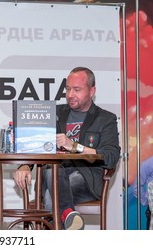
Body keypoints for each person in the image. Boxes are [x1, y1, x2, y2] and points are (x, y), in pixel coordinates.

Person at [13, 67, 121, 230]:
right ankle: (69, 215)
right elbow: (35, 143)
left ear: (92, 91)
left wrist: (74, 147)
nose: (70, 95)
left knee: (50, 192)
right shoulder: (54, 113)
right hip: (53, 175)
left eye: (77, 90)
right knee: (52, 172)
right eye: (68, 89)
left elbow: (111, 156)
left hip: (87, 179)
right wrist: (25, 165)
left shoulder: (105, 119)